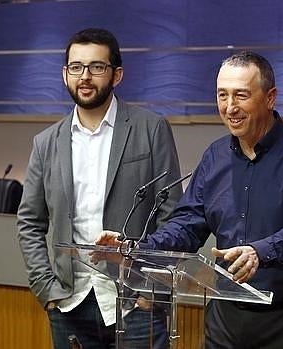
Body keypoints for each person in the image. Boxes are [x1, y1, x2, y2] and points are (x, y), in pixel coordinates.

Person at [98, 51, 283, 348]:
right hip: (225, 316)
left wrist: (259, 252)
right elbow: (186, 225)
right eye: (222, 95)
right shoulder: (215, 156)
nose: (230, 107)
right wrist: (135, 248)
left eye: (241, 95)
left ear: (270, 97)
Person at [17, 28, 182, 349]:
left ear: (116, 75)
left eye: (97, 67)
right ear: (65, 74)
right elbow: (29, 223)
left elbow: (172, 213)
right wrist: (46, 289)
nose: (85, 76)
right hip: (69, 303)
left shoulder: (151, 128)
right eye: (76, 67)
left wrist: (153, 289)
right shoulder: (46, 143)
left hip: (135, 303)